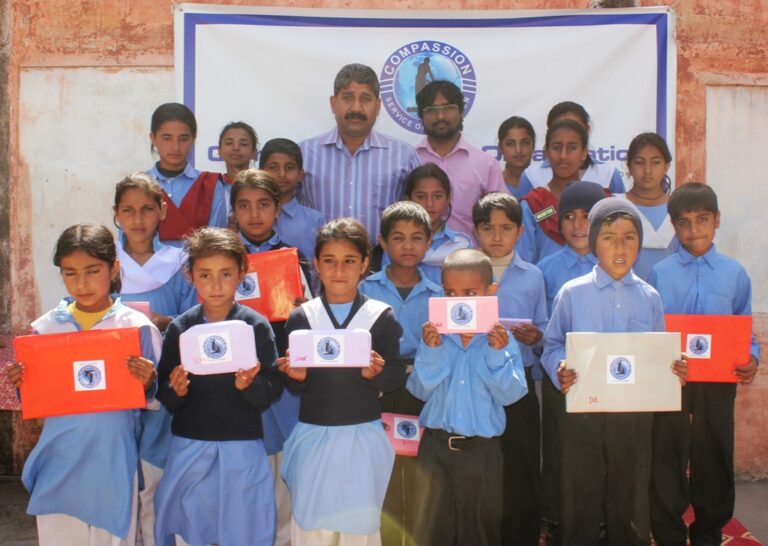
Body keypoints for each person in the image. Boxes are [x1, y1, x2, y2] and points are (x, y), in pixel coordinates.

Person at [541, 198, 687, 545]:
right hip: (583, 414)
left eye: (629, 237)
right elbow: (552, 345)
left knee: (631, 494)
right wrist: (560, 367)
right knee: (580, 493)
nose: (620, 247)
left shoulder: (650, 297)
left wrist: (674, 368)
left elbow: (658, 354)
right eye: (609, 237)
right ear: (594, 243)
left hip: (633, 417)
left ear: (639, 243)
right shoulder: (572, 293)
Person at [6, 223, 162, 546]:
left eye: (92, 271)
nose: (82, 283)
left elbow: (156, 402)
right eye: (71, 273)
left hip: (113, 462)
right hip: (59, 461)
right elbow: (38, 401)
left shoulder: (136, 328)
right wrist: (22, 383)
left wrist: (150, 381)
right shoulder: (44, 330)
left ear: (113, 268)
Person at [278, 218, 406, 545]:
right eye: (329, 260)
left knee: (358, 531)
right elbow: (295, 385)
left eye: (349, 260)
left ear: (364, 264)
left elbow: (395, 375)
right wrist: (296, 377)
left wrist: (377, 373)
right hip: (314, 435)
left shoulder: (380, 316)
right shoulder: (302, 318)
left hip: (362, 435)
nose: (339, 270)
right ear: (316, 264)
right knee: (311, 529)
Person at [153, 227, 283, 546]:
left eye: (225, 274)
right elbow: (164, 390)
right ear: (191, 277)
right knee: (192, 525)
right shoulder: (181, 328)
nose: (215, 285)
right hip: (191, 443)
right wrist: (176, 391)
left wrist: (249, 385)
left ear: (241, 273)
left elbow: (272, 387)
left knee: (244, 528)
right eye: (205, 275)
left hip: (242, 444)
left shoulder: (255, 326)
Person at [648, 183, 759, 545]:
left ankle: (709, 531)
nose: (693, 229)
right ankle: (667, 530)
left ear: (717, 220)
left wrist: (751, 357)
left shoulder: (734, 274)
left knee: (714, 452)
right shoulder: (660, 273)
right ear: (674, 226)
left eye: (702, 219)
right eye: (684, 222)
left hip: (718, 381)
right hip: (671, 379)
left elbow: (744, 327)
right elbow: (651, 327)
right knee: (667, 452)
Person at [406, 248, 528, 546]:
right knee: (432, 533)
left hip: (481, 453)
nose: (459, 302)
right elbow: (418, 391)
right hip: (435, 450)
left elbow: (511, 395)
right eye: (450, 293)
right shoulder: (435, 336)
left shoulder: (502, 340)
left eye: (470, 293)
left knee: (480, 532)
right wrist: (432, 351)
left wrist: (496, 355)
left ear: (491, 292)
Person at [112, 172, 197, 546]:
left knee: (157, 472)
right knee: (120, 471)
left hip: (163, 385)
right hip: (115, 385)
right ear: (116, 214)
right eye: (128, 210)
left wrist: (165, 323)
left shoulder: (178, 263)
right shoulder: (104, 263)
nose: (138, 219)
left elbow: (194, 321)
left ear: (162, 211)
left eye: (147, 209)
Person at [230, 168, 312, 546]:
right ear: (233, 212)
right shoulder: (223, 261)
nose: (254, 214)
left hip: (285, 382)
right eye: (244, 205)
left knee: (285, 476)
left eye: (263, 204)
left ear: (278, 209)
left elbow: (309, 323)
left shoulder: (293, 259)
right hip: (239, 381)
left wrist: (304, 308)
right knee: (245, 480)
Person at [358, 201, 442, 545]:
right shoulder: (365, 290)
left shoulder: (439, 295)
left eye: (417, 237)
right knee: (384, 472)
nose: (408, 245)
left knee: (422, 474)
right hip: (379, 387)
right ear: (382, 241)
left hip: (424, 390)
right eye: (398, 237)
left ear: (429, 242)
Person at [472, 192, 548, 545]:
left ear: (520, 231)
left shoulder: (533, 276)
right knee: (479, 465)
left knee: (521, 465)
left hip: (518, 386)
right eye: (488, 228)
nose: (497, 236)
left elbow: (543, 329)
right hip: (475, 384)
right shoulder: (464, 271)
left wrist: (536, 336)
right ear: (476, 231)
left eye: (506, 228)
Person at [534, 181, 607, 543]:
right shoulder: (544, 270)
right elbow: (543, 329)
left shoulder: (613, 265)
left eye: (588, 217)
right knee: (559, 451)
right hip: (559, 377)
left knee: (600, 451)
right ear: (558, 222)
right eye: (569, 217)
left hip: (604, 379)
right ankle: (557, 520)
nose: (579, 226)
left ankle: (601, 520)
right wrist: (558, 368)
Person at [299, 64, 421, 240]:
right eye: (347, 98)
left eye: (365, 99)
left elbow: (420, 213)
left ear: (378, 106)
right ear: (333, 103)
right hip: (319, 256)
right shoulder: (305, 154)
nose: (356, 108)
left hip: (382, 256)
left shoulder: (403, 155)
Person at [414, 80, 507, 242]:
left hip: (470, 255)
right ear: (421, 115)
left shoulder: (485, 164)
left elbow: (502, 216)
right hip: (416, 255)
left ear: (461, 111)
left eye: (448, 108)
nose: (440, 116)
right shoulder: (409, 160)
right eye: (432, 110)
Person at [372, 163, 471, 285]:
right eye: (421, 196)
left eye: (438, 196)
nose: (429, 204)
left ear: (448, 199)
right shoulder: (395, 241)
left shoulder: (460, 244)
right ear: (408, 199)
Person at [147, 103, 228, 246]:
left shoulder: (210, 186)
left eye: (183, 139)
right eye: (167, 138)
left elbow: (217, 246)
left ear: (194, 138)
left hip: (201, 261)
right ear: (153, 138)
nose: (176, 147)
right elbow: (127, 244)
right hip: (146, 262)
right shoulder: (138, 186)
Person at [517, 119, 593, 264]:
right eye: (556, 147)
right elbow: (524, 262)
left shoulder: (597, 201)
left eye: (572, 148)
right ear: (546, 153)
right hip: (543, 278)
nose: (563, 155)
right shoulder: (534, 205)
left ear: (584, 153)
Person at [518, 101, 626, 196]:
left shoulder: (608, 174)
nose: (563, 155)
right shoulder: (532, 176)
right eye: (560, 127)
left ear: (587, 130)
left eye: (575, 127)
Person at [617, 132, 678, 280]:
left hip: (673, 292)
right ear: (629, 167)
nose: (647, 170)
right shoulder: (616, 206)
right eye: (639, 162)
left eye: (656, 162)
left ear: (666, 166)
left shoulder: (680, 208)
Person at [259, 138, 324, 263]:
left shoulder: (314, 220)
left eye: (289, 167)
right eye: (273, 167)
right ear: (261, 172)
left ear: (300, 174)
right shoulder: (251, 216)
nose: (282, 174)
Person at [498, 116, 536, 199]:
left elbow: (551, 209)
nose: (518, 150)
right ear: (500, 148)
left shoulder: (544, 184)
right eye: (510, 144)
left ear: (533, 145)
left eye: (525, 143)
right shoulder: (493, 186)